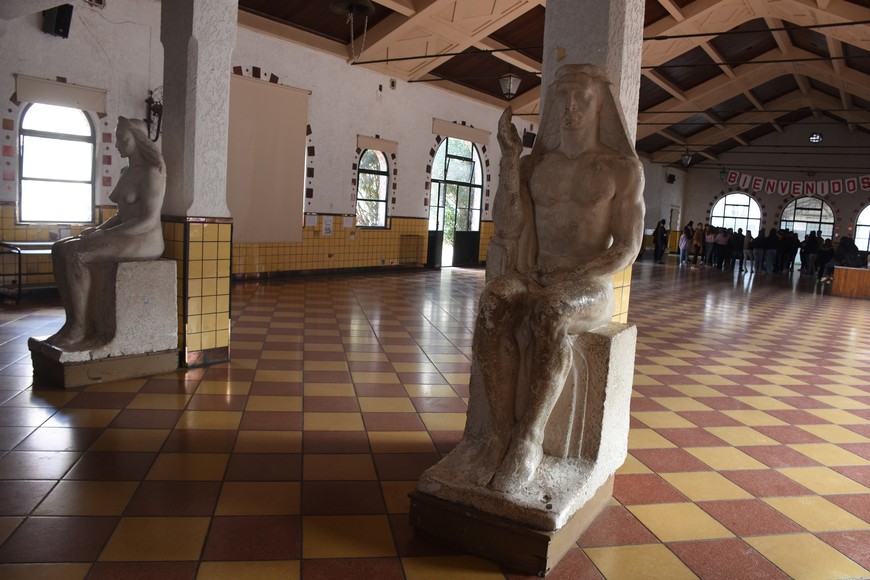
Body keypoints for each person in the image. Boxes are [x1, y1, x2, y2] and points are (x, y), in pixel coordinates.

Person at [473, 64, 644, 492]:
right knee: (494, 301)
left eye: (581, 97)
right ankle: (500, 432)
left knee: (552, 311)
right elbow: (508, 226)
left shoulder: (622, 169)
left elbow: (627, 246)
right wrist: (510, 160)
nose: (570, 107)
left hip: (589, 284)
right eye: (561, 98)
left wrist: (577, 273)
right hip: (537, 273)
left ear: (599, 104)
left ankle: (528, 439)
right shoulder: (536, 165)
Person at [47, 117, 166, 349]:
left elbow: (148, 220)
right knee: (60, 248)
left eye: (123, 139)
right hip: (128, 232)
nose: (118, 144)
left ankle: (80, 327)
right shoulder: (127, 172)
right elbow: (123, 216)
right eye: (117, 139)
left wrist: (104, 235)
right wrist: (100, 229)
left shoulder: (152, 173)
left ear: (139, 140)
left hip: (146, 238)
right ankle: (72, 321)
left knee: (76, 253)